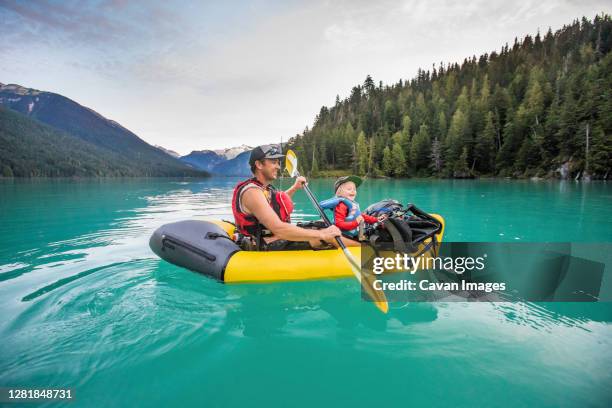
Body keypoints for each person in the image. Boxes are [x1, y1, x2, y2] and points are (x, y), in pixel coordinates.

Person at [232, 144, 341, 250]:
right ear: (259, 165)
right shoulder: (252, 192)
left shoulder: (265, 188)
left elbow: (278, 204)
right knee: (323, 238)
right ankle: (356, 249)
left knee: (321, 226)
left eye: (278, 163)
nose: (278, 167)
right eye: (274, 162)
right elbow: (278, 228)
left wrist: (294, 187)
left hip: (274, 236)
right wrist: (321, 235)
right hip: (263, 242)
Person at [320, 175, 386, 245]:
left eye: (354, 189)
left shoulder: (353, 204)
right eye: (349, 189)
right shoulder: (341, 205)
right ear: (339, 192)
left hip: (353, 235)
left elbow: (361, 216)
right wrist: (356, 222)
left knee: (362, 220)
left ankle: (361, 238)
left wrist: (376, 219)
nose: (352, 191)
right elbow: (339, 224)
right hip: (343, 236)